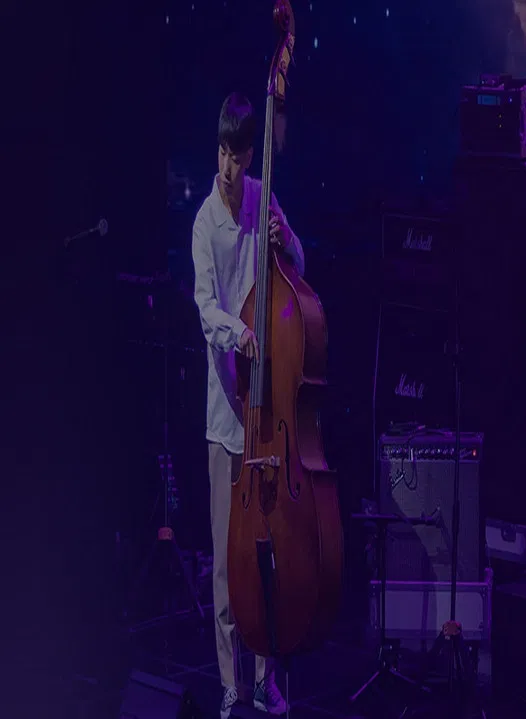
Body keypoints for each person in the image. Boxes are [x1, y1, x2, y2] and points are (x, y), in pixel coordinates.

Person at [192, 92, 301, 718]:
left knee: (269, 559)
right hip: (226, 415)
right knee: (226, 563)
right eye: (224, 155)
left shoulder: (264, 198)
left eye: (239, 156)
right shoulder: (205, 222)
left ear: (250, 155)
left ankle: (265, 679)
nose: (230, 168)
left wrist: (285, 243)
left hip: (269, 412)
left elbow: (300, 267)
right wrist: (240, 332)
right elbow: (206, 309)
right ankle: (230, 685)